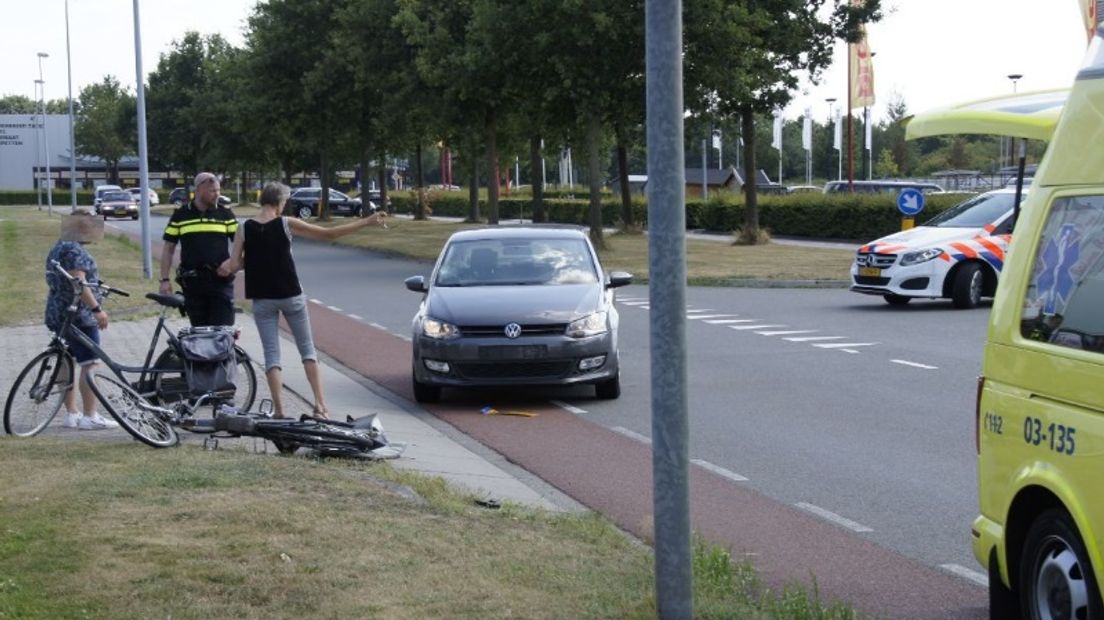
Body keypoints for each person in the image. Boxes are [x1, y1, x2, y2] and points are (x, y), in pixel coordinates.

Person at [218, 182, 388, 418]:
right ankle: (320, 406)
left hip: (263, 299)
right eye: (285, 202)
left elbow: (235, 264)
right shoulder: (287, 224)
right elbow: (328, 234)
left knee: (271, 355)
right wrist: (366, 222)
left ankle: (279, 411)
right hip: (291, 295)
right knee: (307, 351)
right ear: (279, 202)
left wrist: (240, 262)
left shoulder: (243, 227)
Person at [44, 211, 120, 430]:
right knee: (89, 364)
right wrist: (96, 309)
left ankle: (71, 413)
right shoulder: (75, 250)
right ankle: (90, 415)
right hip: (79, 315)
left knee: (64, 359)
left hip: (57, 312)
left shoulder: (58, 247)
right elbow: (79, 281)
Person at [159, 172, 237, 326]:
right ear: (199, 190)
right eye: (213, 191)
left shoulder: (225, 214)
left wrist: (230, 263)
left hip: (220, 282)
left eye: (218, 190)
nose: (217, 194)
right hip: (193, 284)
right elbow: (168, 249)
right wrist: (165, 280)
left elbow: (242, 245)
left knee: (222, 331)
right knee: (199, 332)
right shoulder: (180, 215)